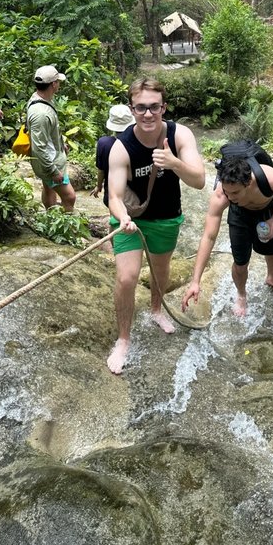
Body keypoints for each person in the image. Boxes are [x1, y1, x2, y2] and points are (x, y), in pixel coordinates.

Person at [106, 77, 205, 374]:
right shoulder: (121, 147)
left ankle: (156, 310)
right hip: (130, 220)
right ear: (131, 109)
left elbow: (199, 181)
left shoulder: (180, 135)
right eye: (140, 108)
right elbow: (113, 195)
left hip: (166, 217)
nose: (148, 114)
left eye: (154, 107)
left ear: (164, 107)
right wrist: (122, 216)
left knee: (161, 270)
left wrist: (174, 163)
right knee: (127, 278)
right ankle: (123, 339)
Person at [181, 153, 273, 318]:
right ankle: (241, 294)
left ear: (248, 183)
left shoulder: (270, 180)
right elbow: (209, 237)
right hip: (240, 216)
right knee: (240, 263)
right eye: (227, 192)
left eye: (235, 192)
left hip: (268, 210)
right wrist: (195, 281)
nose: (230, 197)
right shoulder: (222, 196)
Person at [27, 65, 76, 213]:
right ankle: (66, 227)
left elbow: (48, 132)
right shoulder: (40, 113)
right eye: (58, 81)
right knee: (69, 197)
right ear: (53, 84)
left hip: (50, 156)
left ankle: (51, 218)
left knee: (49, 188)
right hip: (50, 162)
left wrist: (60, 144)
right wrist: (53, 171)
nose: (59, 84)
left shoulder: (41, 99)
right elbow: (39, 146)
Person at [90, 105, 135, 207]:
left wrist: (98, 186)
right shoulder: (138, 142)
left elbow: (101, 170)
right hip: (135, 196)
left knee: (115, 219)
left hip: (112, 195)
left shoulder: (104, 143)